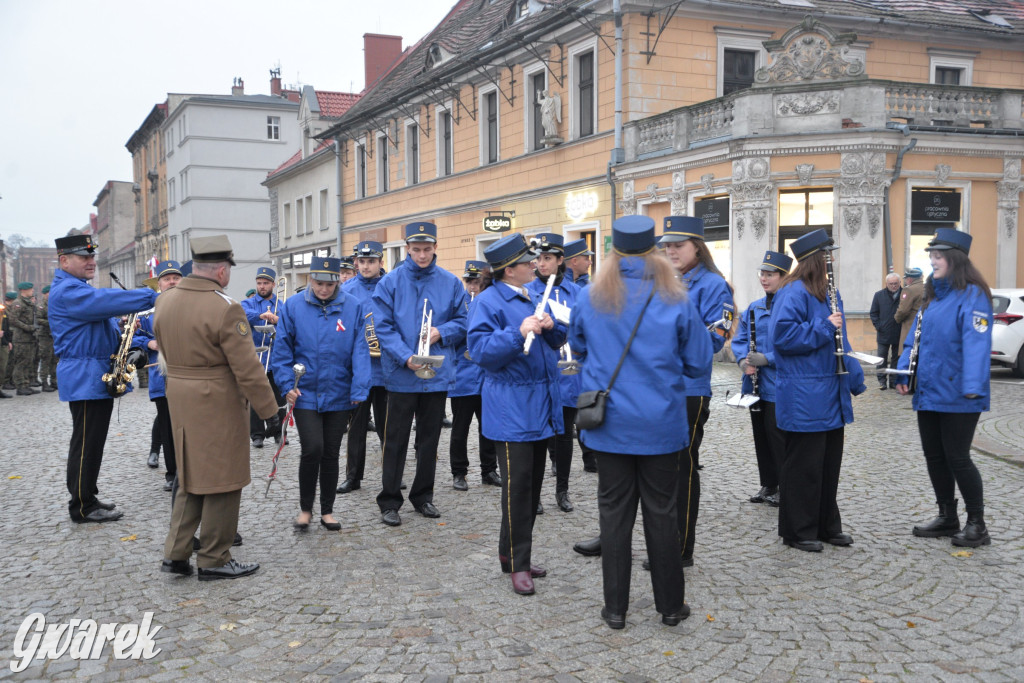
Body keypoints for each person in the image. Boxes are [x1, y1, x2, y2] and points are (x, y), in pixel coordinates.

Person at [570, 215, 709, 629]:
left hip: (609, 423)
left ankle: (615, 609)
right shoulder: (676, 296)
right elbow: (699, 360)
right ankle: (670, 606)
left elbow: (578, 346)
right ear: (654, 251)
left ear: (614, 253)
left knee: (613, 516)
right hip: (660, 423)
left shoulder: (591, 295)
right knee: (662, 513)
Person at [156, 235, 278, 580]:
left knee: (191, 476)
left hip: (179, 396)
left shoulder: (164, 301)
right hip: (217, 400)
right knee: (224, 479)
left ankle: (176, 553)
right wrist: (270, 411)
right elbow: (247, 367)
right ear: (222, 271)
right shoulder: (225, 308)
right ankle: (214, 557)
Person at [468, 232, 566, 596]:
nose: (536, 266)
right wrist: (517, 332)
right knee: (518, 489)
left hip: (539, 402)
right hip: (511, 407)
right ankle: (518, 563)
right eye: (529, 262)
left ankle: (511, 555)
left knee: (531, 486)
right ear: (510, 270)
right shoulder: (488, 301)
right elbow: (479, 351)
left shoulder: (536, 294)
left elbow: (558, 340)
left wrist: (553, 327)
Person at [49, 234, 158, 523]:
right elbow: (104, 300)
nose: (91, 262)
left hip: (93, 372)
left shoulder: (76, 288)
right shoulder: (70, 291)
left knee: (92, 441)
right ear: (64, 261)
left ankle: (88, 495)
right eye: (84, 257)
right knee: (86, 442)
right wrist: (152, 294)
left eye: (92, 257)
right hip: (85, 375)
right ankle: (82, 506)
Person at [769, 228, 866, 552]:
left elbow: (843, 343)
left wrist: (854, 377)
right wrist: (825, 326)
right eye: (828, 255)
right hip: (804, 394)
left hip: (829, 392)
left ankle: (826, 525)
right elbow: (782, 338)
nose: (833, 260)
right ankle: (798, 530)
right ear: (817, 260)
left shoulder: (829, 293)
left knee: (827, 466)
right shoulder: (793, 292)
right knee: (803, 469)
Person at [897, 228, 992, 548]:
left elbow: (977, 345)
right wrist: (903, 372)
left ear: (955, 259)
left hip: (960, 394)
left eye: (938, 257)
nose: (933, 261)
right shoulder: (932, 295)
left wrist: (972, 388)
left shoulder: (974, 295)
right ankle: (947, 516)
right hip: (929, 391)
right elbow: (916, 338)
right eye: (931, 256)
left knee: (958, 457)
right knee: (935, 456)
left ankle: (977, 524)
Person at [372, 222, 468, 526]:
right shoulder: (390, 283)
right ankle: (389, 500)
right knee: (396, 440)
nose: (422, 255)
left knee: (429, 440)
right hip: (402, 375)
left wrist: (444, 330)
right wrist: (405, 356)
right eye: (416, 250)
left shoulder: (451, 283)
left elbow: (464, 321)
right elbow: (383, 326)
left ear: (435, 247)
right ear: (407, 249)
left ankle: (423, 496)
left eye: (427, 249)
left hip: (435, 373)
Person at [271, 257, 371, 531]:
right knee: (312, 448)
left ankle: (327, 510)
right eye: (318, 283)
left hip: (339, 391)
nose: (324, 289)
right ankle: (306, 509)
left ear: (338, 280)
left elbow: (360, 350)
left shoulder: (352, 306)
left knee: (331, 452)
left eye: (329, 284)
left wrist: (360, 387)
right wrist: (285, 385)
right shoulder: (293, 306)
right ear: (310, 280)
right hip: (305, 392)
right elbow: (282, 351)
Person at [658, 215, 732, 567]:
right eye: (667, 245)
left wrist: (672, 330)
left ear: (697, 248)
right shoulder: (665, 280)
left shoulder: (714, 285)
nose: (670, 251)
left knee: (682, 466)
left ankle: (680, 546)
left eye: (678, 245)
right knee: (661, 467)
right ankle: (662, 537)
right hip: (659, 384)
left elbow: (716, 340)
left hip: (689, 387)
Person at [731, 250, 792, 507]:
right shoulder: (754, 308)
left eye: (770, 275)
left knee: (778, 438)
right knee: (761, 436)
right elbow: (740, 340)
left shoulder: (790, 306)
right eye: (762, 274)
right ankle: (768, 483)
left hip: (779, 383)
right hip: (755, 384)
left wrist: (767, 358)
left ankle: (785, 487)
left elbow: (792, 345)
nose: (764, 279)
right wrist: (743, 360)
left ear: (783, 277)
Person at [526, 233, 581, 513]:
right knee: (539, 434)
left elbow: (586, 330)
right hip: (542, 372)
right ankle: (534, 494)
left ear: (561, 261)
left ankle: (562, 489)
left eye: (548, 258)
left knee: (564, 434)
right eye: (538, 258)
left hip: (570, 372)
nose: (542, 263)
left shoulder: (577, 293)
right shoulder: (527, 290)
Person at [338, 241, 388, 494]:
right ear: (356, 262)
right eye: (362, 261)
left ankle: (392, 473)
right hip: (358, 370)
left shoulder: (391, 285)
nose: (366, 266)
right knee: (356, 427)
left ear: (381, 261)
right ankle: (353, 476)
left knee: (388, 426)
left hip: (387, 369)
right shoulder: (346, 289)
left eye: (371, 261)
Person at [449, 260, 501, 491]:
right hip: (463, 376)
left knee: (488, 428)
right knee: (460, 429)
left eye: (476, 282)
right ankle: (459, 473)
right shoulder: (458, 305)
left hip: (486, 376)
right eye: (468, 281)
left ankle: (489, 470)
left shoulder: (490, 304)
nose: (472, 286)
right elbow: (450, 336)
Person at [132, 261, 183, 492]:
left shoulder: (192, 306)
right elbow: (130, 338)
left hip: (191, 378)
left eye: (176, 277)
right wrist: (148, 341)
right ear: (159, 284)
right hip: (161, 378)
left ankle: (192, 471)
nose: (172, 282)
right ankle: (172, 473)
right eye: (167, 278)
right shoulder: (145, 314)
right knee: (168, 427)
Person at [240, 266, 285, 448]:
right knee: (256, 396)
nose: (262, 286)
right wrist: (261, 315)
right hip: (256, 356)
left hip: (276, 357)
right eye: (259, 283)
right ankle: (257, 434)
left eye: (266, 283)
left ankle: (278, 433)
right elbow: (242, 314)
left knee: (278, 397)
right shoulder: (248, 303)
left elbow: (290, 324)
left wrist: (278, 320)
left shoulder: (281, 305)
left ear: (273, 284)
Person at [870, 273, 902, 389]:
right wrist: (879, 326)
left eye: (895, 283)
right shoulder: (879, 295)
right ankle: (882, 381)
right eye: (891, 284)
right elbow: (873, 313)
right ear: (886, 284)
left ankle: (893, 381)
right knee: (881, 358)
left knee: (896, 359)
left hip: (899, 332)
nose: (893, 286)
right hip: (883, 332)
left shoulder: (904, 295)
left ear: (900, 283)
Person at [9, 282, 41, 396]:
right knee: (21, 362)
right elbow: (13, 320)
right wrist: (27, 327)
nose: (32, 291)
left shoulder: (29, 303)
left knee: (29, 361)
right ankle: (20, 386)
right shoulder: (18, 303)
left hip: (30, 337)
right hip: (21, 338)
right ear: (23, 290)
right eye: (30, 289)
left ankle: (26, 384)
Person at [895, 266, 924, 348]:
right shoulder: (927, 288)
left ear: (910, 279)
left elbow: (903, 310)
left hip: (910, 326)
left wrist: (896, 319)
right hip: (923, 325)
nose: (905, 281)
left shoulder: (909, 290)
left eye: (905, 279)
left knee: (908, 352)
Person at [36, 285, 57, 392]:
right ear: (45, 294)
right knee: (45, 359)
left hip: (55, 335)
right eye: (49, 292)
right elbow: (38, 319)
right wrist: (51, 323)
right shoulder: (41, 306)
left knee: (55, 359)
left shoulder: (56, 304)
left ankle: (54, 381)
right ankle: (44, 382)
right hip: (45, 336)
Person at [0, 292, 12, 399]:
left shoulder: (2, 310)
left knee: (3, 366)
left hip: (3, 342)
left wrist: (8, 341)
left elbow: (6, 326)